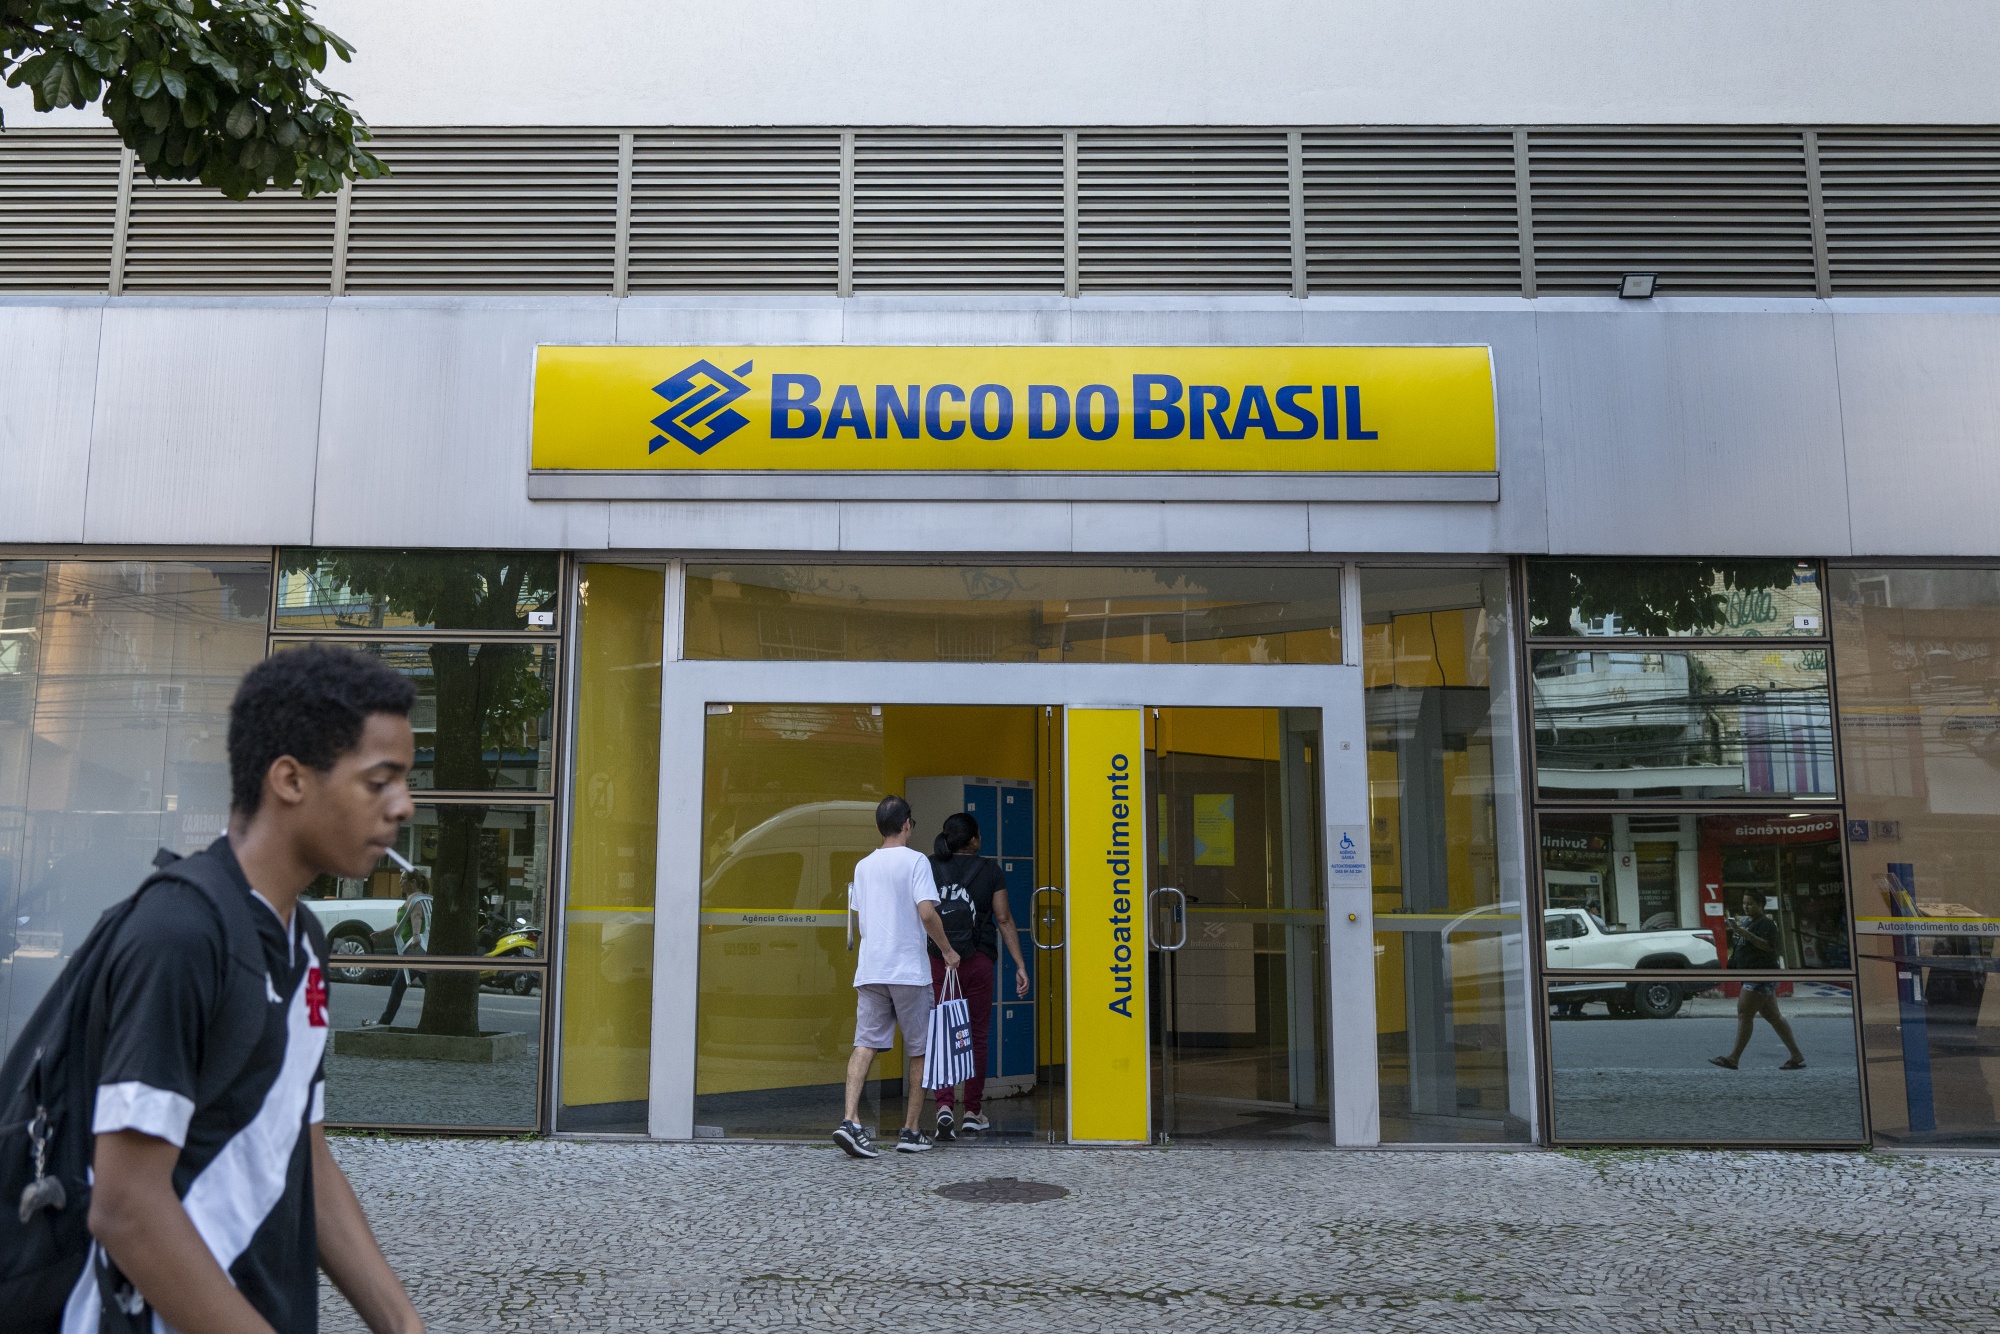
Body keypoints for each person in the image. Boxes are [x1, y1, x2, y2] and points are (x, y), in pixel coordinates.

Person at [76, 644, 426, 1332]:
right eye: (379, 782)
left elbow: (301, 1149)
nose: (403, 807)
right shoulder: (180, 933)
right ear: (290, 779)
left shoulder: (307, 940)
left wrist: (403, 1324)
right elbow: (126, 1207)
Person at [833, 795, 961, 1159]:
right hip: (908, 970)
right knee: (920, 1049)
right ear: (907, 824)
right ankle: (910, 1130)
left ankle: (850, 1120)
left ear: (879, 827)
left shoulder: (863, 866)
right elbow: (927, 913)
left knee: (865, 1043)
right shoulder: (916, 861)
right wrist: (947, 951)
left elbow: (862, 916)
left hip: (871, 968)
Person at [926, 812, 1032, 1140]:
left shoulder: (929, 866)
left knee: (943, 1030)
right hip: (978, 961)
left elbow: (921, 913)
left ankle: (944, 1106)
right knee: (976, 1036)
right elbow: (1004, 919)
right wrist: (1020, 964)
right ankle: (972, 1112)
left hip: (940, 961)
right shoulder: (991, 871)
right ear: (973, 841)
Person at [1710, 892, 1806, 1071]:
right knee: (1774, 1017)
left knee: (1744, 1013)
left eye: (1750, 903)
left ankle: (1733, 1058)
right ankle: (1796, 1055)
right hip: (1752, 975)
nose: (1746, 907)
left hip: (1760, 976)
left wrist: (1743, 933)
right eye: (1744, 903)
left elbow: (1767, 946)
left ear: (1761, 904)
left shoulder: (1766, 924)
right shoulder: (1747, 922)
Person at [366, 872, 432, 1028]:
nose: (400, 882)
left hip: (414, 950)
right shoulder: (421, 898)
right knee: (429, 985)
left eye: (403, 879)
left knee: (398, 985)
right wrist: (381, 934)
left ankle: (384, 1022)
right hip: (421, 950)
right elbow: (401, 925)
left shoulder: (415, 899)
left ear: (413, 882)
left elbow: (417, 916)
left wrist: (416, 935)